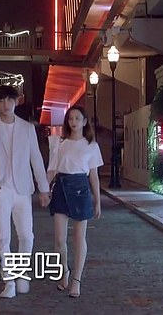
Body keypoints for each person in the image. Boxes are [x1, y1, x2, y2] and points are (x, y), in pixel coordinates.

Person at [0, 85, 51, 299]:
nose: (6, 104)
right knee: (3, 237)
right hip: (1, 189)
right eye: (1, 101)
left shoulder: (27, 129)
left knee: (27, 235)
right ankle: (8, 281)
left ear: (17, 101)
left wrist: (43, 189)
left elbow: (36, 159)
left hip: (23, 189)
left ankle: (21, 273)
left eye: (10, 100)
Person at [46, 105, 103, 298]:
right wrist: (44, 189)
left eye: (78, 118)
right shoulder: (60, 143)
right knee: (59, 239)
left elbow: (94, 176)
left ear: (85, 121)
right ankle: (64, 271)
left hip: (81, 188)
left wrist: (97, 201)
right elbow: (52, 169)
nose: (74, 122)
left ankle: (76, 280)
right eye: (70, 118)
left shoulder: (91, 145)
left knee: (79, 237)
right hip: (61, 187)